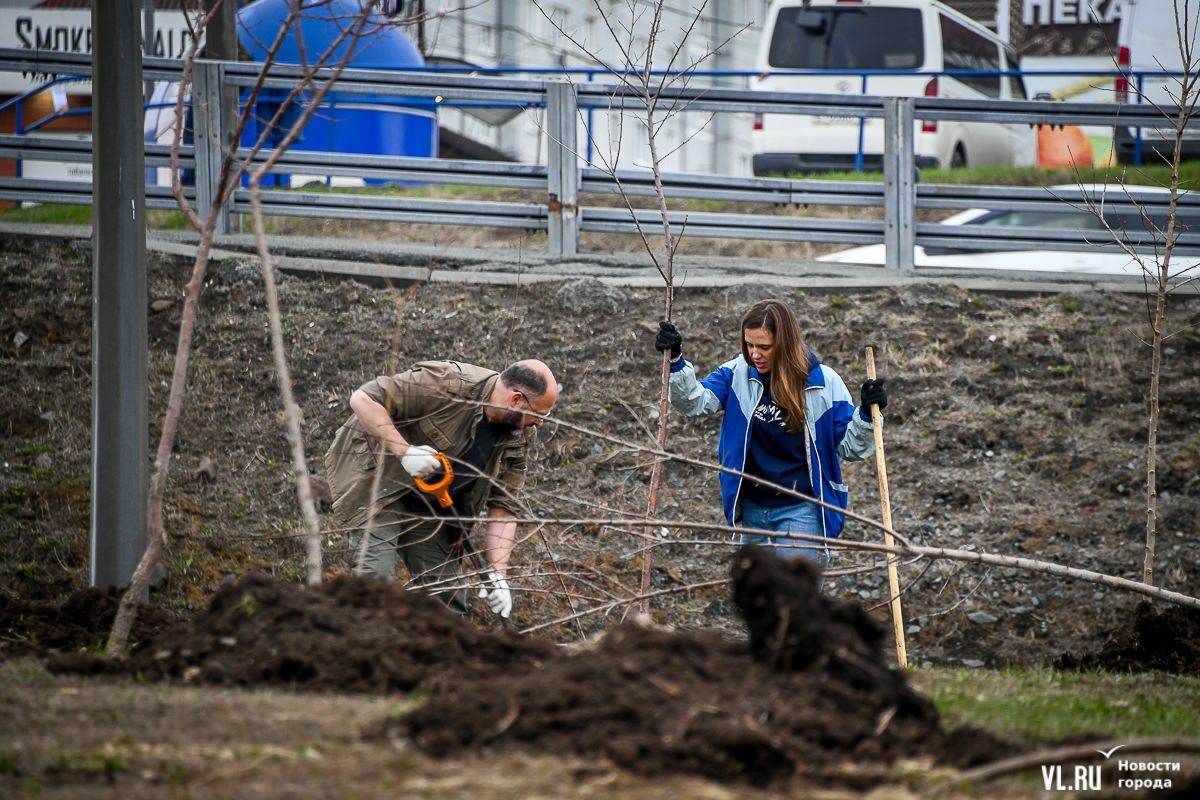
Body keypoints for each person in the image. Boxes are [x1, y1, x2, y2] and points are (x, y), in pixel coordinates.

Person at [654, 300, 886, 590]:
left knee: (796, 607)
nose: (754, 354)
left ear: (785, 343)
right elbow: (694, 401)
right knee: (759, 607)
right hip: (753, 512)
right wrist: (676, 360)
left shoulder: (824, 383)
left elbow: (852, 447)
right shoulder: (737, 373)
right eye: (749, 344)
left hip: (803, 513)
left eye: (764, 347)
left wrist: (866, 414)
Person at [324, 360, 558, 618]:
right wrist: (405, 452)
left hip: (434, 501)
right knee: (374, 579)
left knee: (448, 598)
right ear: (515, 400)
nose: (539, 424)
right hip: (380, 481)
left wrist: (498, 574)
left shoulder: (520, 434)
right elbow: (363, 398)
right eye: (539, 415)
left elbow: (503, 505)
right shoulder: (448, 384)